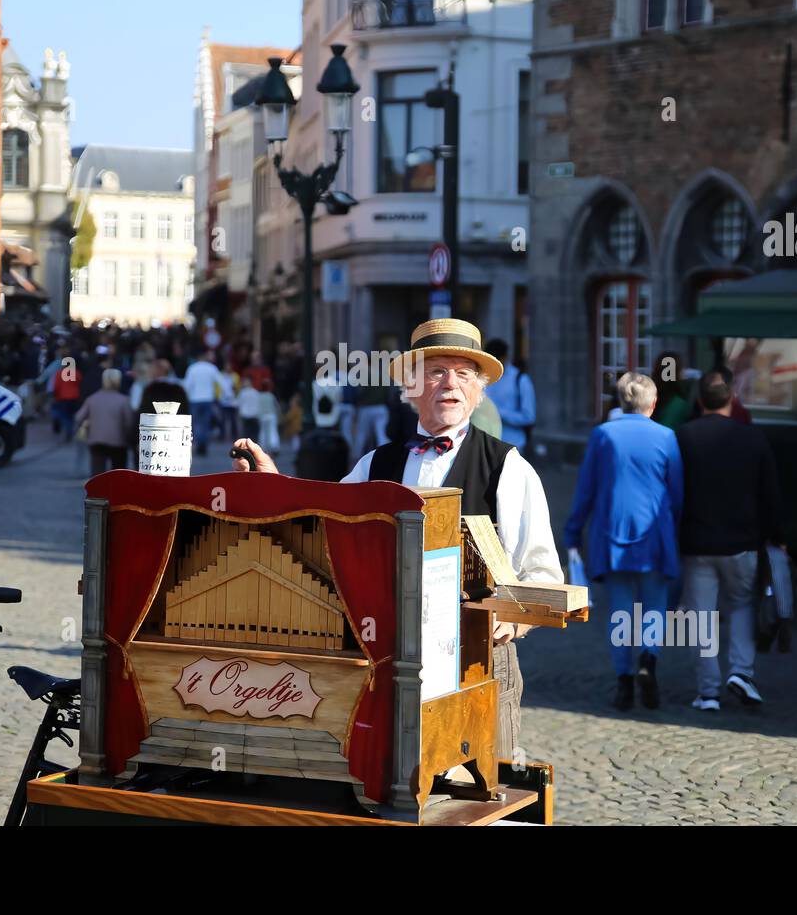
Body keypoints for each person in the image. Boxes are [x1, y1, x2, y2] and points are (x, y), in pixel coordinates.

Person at [231, 319, 562, 759]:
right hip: (388, 661)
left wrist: (513, 620)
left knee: (482, 791)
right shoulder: (375, 463)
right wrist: (271, 484)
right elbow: (321, 524)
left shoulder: (508, 467)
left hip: (477, 665)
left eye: (464, 374)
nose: (451, 384)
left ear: (479, 392)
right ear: (410, 387)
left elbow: (544, 574)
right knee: (395, 782)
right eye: (436, 370)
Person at [563, 372, 683, 711]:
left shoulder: (603, 435)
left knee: (620, 612)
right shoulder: (667, 437)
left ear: (619, 401)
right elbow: (676, 493)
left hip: (611, 532)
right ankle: (649, 661)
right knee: (654, 608)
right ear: (654, 403)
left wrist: (573, 530)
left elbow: (585, 488)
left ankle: (624, 682)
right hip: (655, 535)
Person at [676, 370, 783, 711]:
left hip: (697, 542)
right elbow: (771, 494)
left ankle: (708, 692)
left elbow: (672, 491)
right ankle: (741, 672)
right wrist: (778, 537)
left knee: (702, 616)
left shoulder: (682, 437)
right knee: (741, 606)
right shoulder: (753, 438)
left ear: (699, 400)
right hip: (742, 542)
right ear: (732, 399)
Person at [74, 368, 135, 477]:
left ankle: (99, 493)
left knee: (98, 474)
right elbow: (129, 422)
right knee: (118, 474)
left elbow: (78, 417)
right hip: (119, 442)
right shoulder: (124, 400)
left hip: (96, 441)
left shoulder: (92, 399)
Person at [483, 339, 536, 451]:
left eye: (496, 359)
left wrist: (497, 412)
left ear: (505, 357)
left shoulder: (521, 380)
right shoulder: (485, 377)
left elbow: (529, 417)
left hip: (512, 445)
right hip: (487, 444)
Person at [183, 350, 222, 457]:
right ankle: (203, 443)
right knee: (205, 423)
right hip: (208, 399)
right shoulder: (211, 368)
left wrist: (184, 397)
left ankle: (198, 443)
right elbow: (220, 382)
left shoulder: (192, 369)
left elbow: (187, 385)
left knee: (196, 423)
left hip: (194, 399)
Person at [651, 352, 692, 429]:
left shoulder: (648, 398)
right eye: (681, 369)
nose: (683, 373)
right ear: (676, 373)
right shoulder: (679, 404)